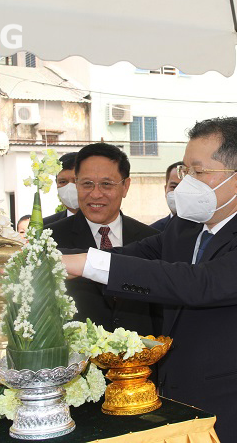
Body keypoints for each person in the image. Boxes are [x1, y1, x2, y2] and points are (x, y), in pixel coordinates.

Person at [63, 117, 237, 443]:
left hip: (236, 413)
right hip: (175, 406)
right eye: (186, 171)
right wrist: (46, 258)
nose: (187, 183)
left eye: (199, 172)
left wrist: (86, 263)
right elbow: (132, 257)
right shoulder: (184, 227)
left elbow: (196, 284)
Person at [49, 143, 159, 336]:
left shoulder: (150, 239)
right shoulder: (50, 240)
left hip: (140, 363)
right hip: (77, 362)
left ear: (125, 186)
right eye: (87, 184)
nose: (96, 193)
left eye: (106, 184)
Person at [43, 152, 79, 226]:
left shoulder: (105, 224)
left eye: (75, 180)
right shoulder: (45, 226)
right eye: (63, 182)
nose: (69, 187)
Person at [150, 161, 183, 231]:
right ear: (165, 190)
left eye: (185, 187)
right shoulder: (151, 232)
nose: (178, 192)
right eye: (173, 187)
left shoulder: (207, 232)